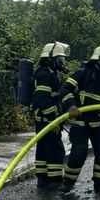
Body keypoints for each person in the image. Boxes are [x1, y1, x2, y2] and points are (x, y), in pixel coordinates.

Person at [58, 46, 100, 193]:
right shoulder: (82, 73)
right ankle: (68, 183)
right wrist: (71, 106)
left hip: (97, 122)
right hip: (81, 123)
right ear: (99, 61)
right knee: (78, 154)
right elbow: (65, 90)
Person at [31, 41, 70, 190]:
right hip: (47, 119)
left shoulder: (46, 72)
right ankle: (54, 180)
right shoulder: (45, 75)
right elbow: (42, 99)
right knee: (55, 149)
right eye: (59, 60)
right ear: (50, 59)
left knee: (43, 148)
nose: (61, 63)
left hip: (43, 119)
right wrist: (53, 121)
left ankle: (42, 179)